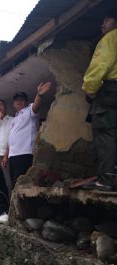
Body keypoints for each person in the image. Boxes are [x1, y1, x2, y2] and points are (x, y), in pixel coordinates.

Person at [0, 83, 51, 224]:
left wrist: (40, 95)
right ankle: (14, 214)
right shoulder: (15, 118)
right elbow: (10, 139)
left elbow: (36, 106)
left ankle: (15, 216)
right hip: (13, 156)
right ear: (13, 104)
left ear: (25, 102)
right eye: (16, 100)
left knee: (22, 186)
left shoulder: (29, 111)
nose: (19, 102)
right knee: (14, 185)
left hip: (24, 154)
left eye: (21, 99)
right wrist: (6, 156)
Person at [82, 9, 117, 191]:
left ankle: (106, 179)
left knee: (105, 134)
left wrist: (90, 89)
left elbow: (100, 66)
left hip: (111, 91)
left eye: (107, 19)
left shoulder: (111, 38)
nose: (102, 24)